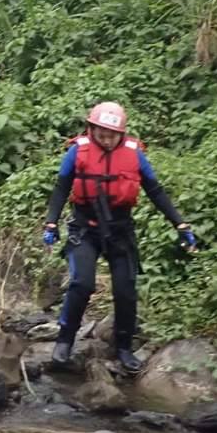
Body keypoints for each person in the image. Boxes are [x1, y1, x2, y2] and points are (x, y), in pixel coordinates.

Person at [43, 101, 198, 373]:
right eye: (100, 132)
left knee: (125, 292)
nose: (106, 138)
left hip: (120, 231)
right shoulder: (78, 151)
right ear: (91, 129)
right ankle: (65, 340)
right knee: (81, 283)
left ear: (122, 134)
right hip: (84, 228)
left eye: (111, 134)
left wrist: (180, 224)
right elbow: (61, 187)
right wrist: (51, 223)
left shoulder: (134, 155)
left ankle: (124, 347)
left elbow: (155, 191)